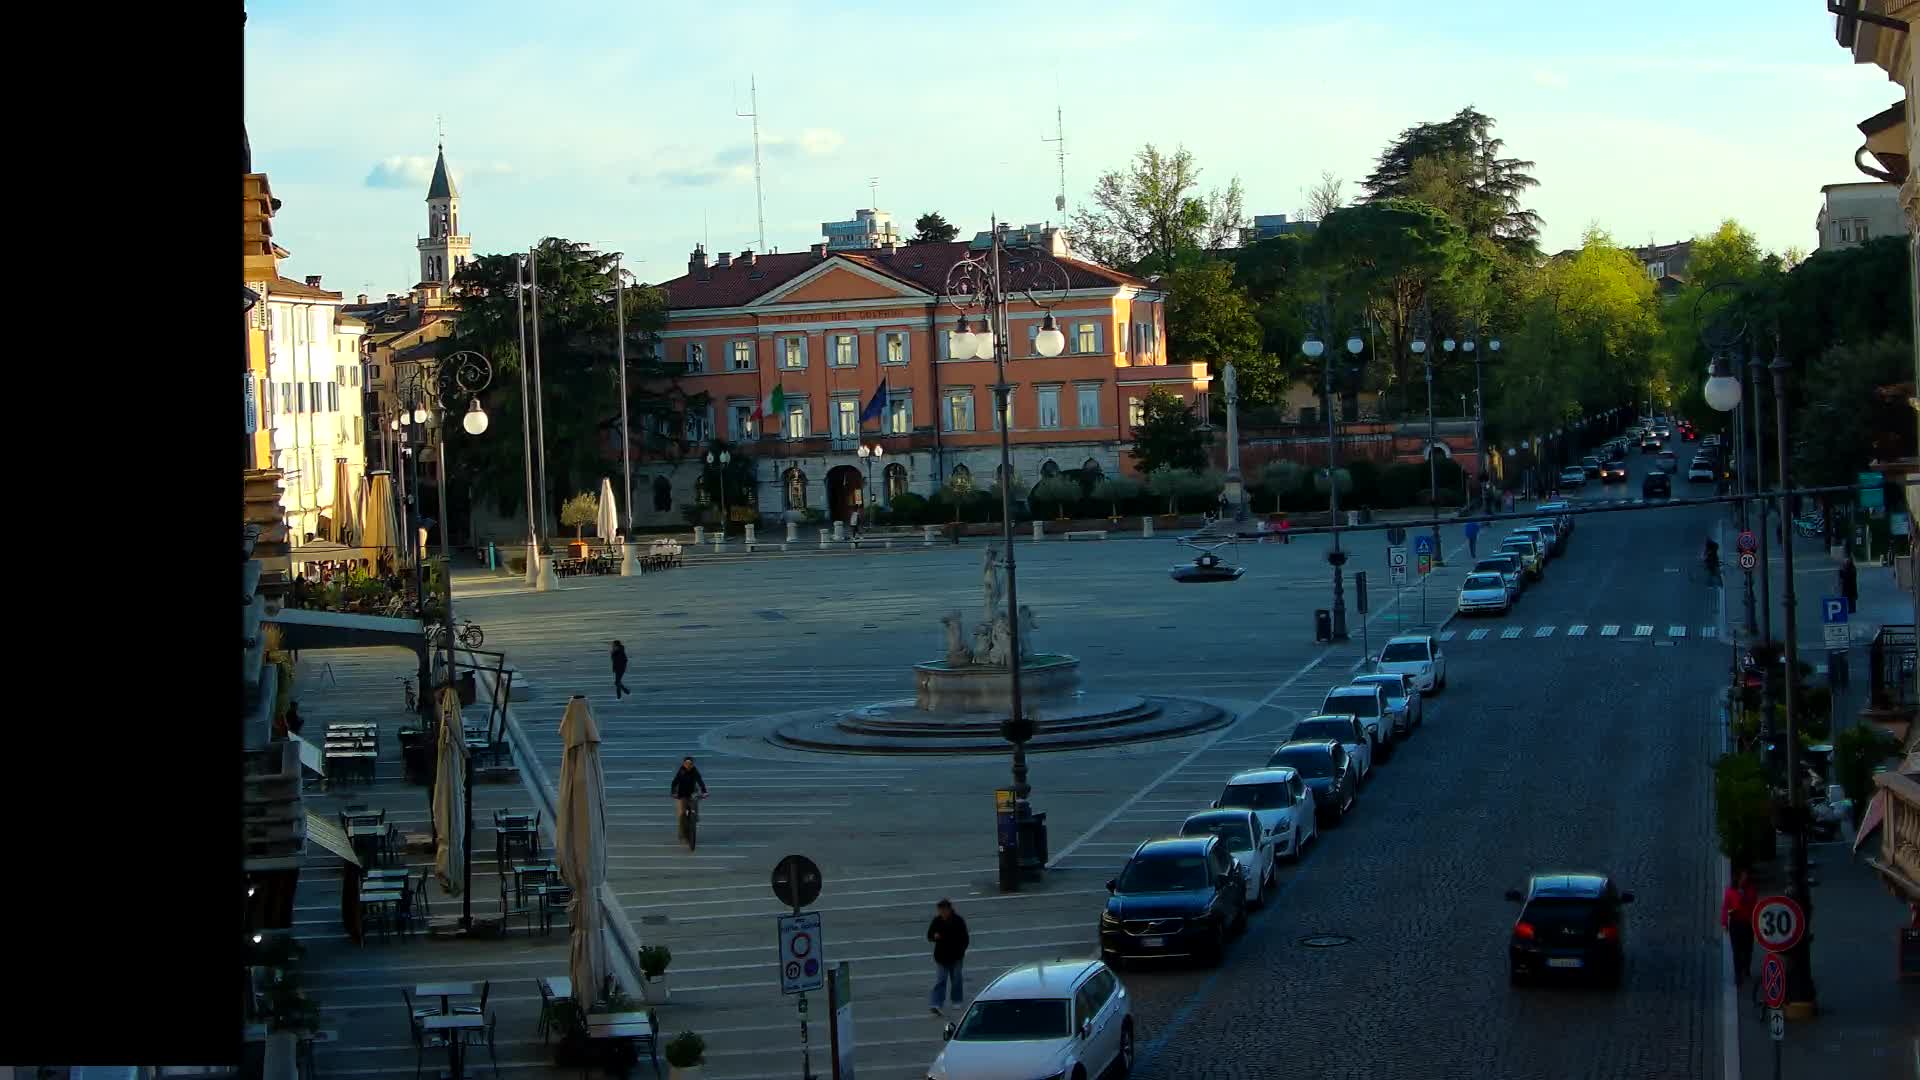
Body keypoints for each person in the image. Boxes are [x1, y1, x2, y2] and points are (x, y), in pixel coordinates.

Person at [926, 898, 970, 1016]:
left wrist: (961, 951)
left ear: (949, 909)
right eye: (940, 910)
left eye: (944, 910)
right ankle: (936, 1003)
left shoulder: (958, 921)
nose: (942, 913)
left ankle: (956, 1000)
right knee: (941, 980)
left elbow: (965, 938)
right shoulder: (937, 921)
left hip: (956, 956)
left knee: (956, 980)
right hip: (941, 957)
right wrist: (934, 936)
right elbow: (929, 935)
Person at [1721, 868, 1758, 984]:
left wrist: (1744, 898)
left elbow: (1754, 904)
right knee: (1736, 950)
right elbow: (1725, 907)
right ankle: (1738, 974)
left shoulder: (1751, 889)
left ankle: (1746, 967)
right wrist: (1724, 922)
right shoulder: (1730, 891)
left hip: (1747, 923)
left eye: (1745, 876)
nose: (1744, 879)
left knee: (1747, 949)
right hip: (1735, 923)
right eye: (1742, 876)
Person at [669, 757, 708, 849]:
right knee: (682, 813)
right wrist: (673, 792)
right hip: (682, 794)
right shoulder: (681, 771)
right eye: (686, 763)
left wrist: (704, 791)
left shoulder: (695, 771)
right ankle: (682, 832)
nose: (688, 765)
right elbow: (674, 782)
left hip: (692, 793)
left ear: (693, 764)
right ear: (683, 764)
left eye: (690, 764)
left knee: (694, 806)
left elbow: (700, 781)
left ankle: (694, 818)